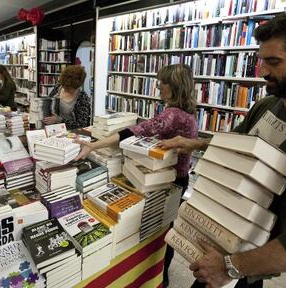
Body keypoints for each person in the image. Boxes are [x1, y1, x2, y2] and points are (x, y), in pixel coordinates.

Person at [159, 7, 286, 288]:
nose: (262, 71)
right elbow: (237, 146)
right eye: (261, 59)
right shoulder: (267, 105)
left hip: (252, 254)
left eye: (273, 61)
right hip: (228, 233)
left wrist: (232, 266)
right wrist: (196, 143)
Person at [75, 63, 198, 286]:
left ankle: (160, 275)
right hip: (176, 176)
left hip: (169, 180)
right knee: (166, 226)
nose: (158, 87)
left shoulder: (174, 114)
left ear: (175, 85)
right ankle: (161, 273)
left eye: (163, 82)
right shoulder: (186, 111)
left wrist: (94, 146)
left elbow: (141, 130)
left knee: (161, 229)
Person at [43, 65, 91, 130]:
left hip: (71, 134)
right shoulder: (58, 87)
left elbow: (81, 125)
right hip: (52, 129)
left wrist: (60, 120)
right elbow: (49, 101)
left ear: (77, 86)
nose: (65, 89)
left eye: (69, 88)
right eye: (64, 86)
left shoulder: (82, 98)